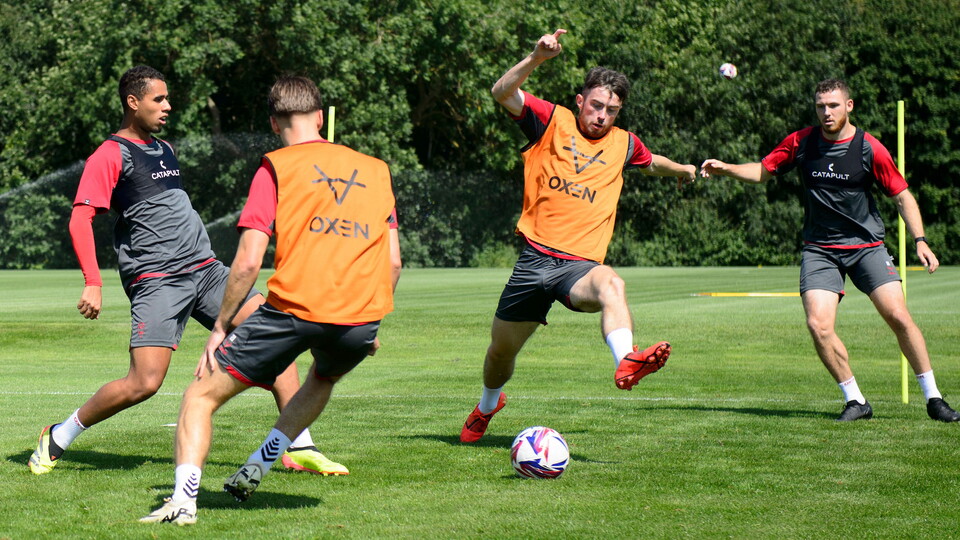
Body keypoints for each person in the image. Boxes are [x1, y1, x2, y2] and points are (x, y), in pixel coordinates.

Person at [28, 65, 347, 478]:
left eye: (166, 98)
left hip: (208, 270)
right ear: (133, 102)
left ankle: (297, 446)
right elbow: (80, 218)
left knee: (277, 338)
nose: (167, 106)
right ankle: (58, 435)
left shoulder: (165, 149)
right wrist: (93, 280)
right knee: (144, 383)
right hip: (158, 281)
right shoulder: (110, 154)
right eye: (158, 99)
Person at [141, 75, 402, 525]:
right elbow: (393, 262)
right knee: (321, 379)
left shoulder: (276, 166)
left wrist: (221, 325)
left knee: (200, 397)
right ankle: (259, 465)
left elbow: (246, 263)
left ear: (273, 122)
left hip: (293, 310)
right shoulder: (377, 169)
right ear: (320, 117)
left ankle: (183, 502)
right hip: (360, 317)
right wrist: (373, 318)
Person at [459, 29, 697, 443]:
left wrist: (683, 170)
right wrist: (536, 57)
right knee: (500, 353)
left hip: (579, 267)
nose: (602, 116)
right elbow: (501, 91)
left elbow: (651, 162)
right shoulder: (551, 120)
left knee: (612, 283)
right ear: (580, 101)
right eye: (597, 105)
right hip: (534, 260)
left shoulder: (624, 144)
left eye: (612, 110)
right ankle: (486, 405)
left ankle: (626, 360)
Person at [700, 78, 960, 422]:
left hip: (867, 247)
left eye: (834, 105)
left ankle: (934, 399)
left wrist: (920, 241)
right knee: (818, 325)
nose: (826, 112)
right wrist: (726, 169)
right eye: (821, 106)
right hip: (820, 250)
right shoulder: (801, 142)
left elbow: (902, 196)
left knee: (898, 316)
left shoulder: (869, 148)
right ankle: (856, 400)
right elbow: (763, 172)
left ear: (848, 106)